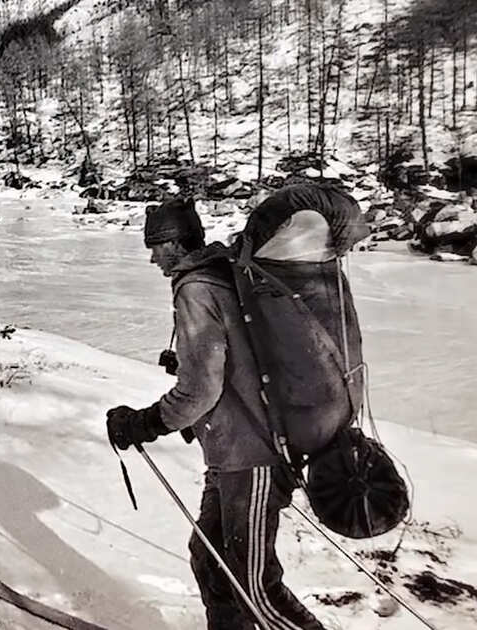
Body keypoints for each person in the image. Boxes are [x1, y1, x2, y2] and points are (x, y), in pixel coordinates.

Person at [105, 198, 325, 630]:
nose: (151, 257)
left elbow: (199, 391)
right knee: (211, 563)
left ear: (174, 243)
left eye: (155, 245)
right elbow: (231, 365)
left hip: (254, 456)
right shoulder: (222, 276)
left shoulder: (197, 289)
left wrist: (143, 423)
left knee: (252, 585)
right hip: (233, 455)